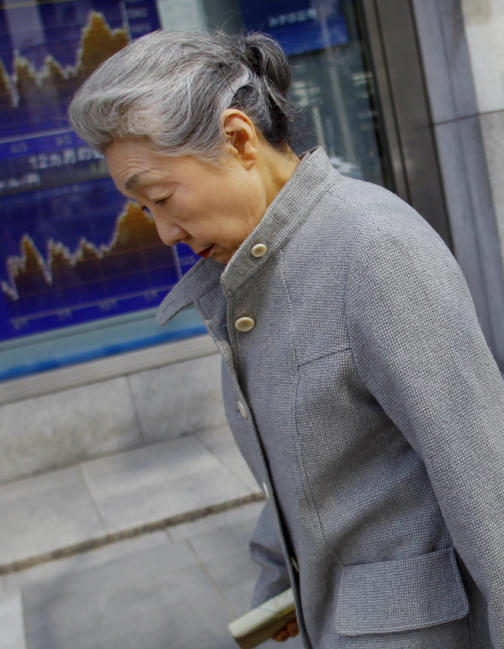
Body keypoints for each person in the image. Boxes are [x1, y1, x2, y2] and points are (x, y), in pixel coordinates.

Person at [68, 30, 504, 648]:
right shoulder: (249, 270)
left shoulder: (374, 251)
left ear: (240, 139)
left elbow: (488, 484)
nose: (164, 232)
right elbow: (301, 472)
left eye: (162, 197)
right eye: (144, 210)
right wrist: (281, 584)